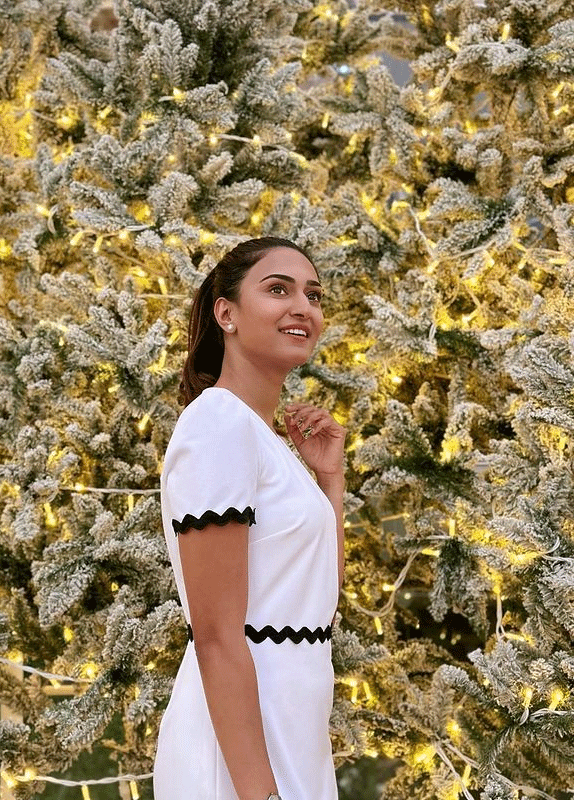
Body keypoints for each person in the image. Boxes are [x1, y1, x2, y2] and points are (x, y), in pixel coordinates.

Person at [152, 237, 346, 800]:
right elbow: (216, 636)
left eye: (313, 295)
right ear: (226, 313)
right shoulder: (218, 423)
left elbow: (319, 600)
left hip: (293, 728)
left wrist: (330, 481)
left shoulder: (264, 439)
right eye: (278, 289)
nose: (302, 306)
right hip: (240, 751)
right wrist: (260, 794)